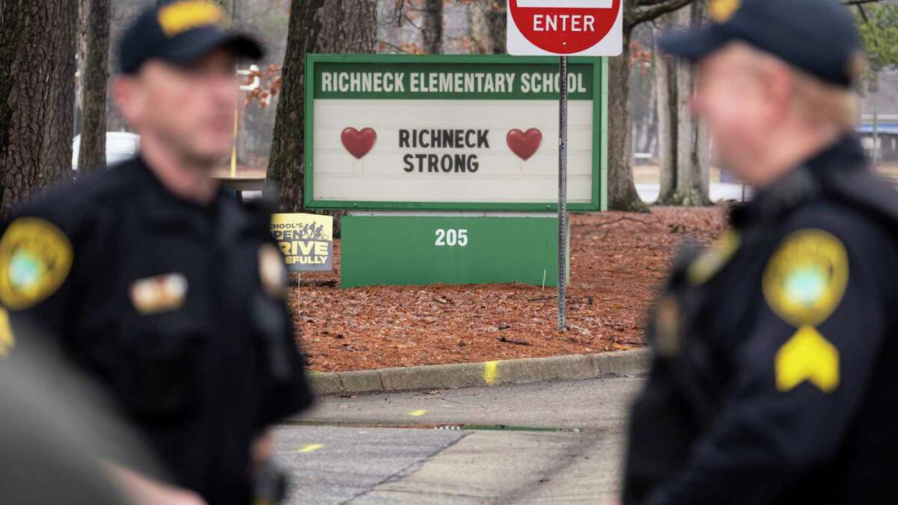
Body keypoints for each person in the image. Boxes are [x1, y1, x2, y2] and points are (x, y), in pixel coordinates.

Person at [0, 1, 313, 504]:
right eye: (190, 74)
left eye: (225, 74)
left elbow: (256, 410)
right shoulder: (62, 232)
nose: (217, 95)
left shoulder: (246, 234)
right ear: (131, 98)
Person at [622, 0, 898, 504]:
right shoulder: (786, 223)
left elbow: (777, 439)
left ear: (773, 90)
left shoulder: (826, 242)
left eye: (712, 81)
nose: (696, 104)